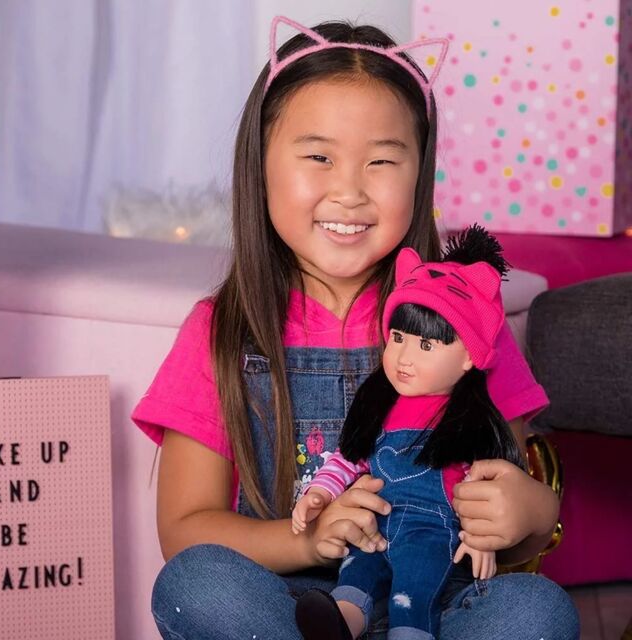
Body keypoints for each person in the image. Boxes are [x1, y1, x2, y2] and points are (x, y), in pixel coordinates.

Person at [131, 15, 579, 640]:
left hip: (436, 605)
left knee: (537, 610)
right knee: (194, 582)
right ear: (260, 164)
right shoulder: (223, 331)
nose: (348, 190)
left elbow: (513, 518)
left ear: (420, 172)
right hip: (292, 609)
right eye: (319, 156)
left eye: (382, 160)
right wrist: (309, 540)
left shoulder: (466, 320)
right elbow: (185, 530)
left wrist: (530, 511)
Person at [292, 228, 525, 640]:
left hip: (430, 533)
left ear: (469, 356)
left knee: (413, 595)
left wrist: (481, 538)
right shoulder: (379, 407)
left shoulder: (466, 423)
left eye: (427, 346)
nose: (403, 356)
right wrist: (320, 494)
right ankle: (342, 622)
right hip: (374, 523)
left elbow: (482, 490)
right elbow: (349, 459)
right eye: (398, 338)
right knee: (355, 575)